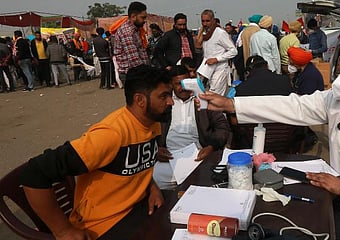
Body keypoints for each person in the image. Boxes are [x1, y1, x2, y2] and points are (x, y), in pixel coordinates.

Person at [199, 45, 340, 240]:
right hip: (336, 196)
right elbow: (294, 106)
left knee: (300, 232)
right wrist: (233, 105)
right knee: (278, 218)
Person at [20, 64, 173, 239]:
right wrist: (62, 231)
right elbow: (33, 173)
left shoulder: (153, 122)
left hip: (136, 209)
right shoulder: (110, 135)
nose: (171, 102)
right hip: (101, 225)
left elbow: (139, 163)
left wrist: (151, 188)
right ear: (140, 100)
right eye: (164, 96)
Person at [152, 65, 230, 189]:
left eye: (185, 83)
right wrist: (155, 150)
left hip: (198, 156)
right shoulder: (164, 102)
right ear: (171, 84)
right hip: (169, 158)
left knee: (206, 184)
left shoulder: (204, 98)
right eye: (178, 84)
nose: (183, 88)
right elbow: (147, 131)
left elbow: (223, 128)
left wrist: (211, 147)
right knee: (151, 181)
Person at [196, 9, 237, 95]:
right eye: (203, 21)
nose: (205, 23)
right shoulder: (205, 33)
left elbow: (233, 51)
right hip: (207, 69)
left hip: (220, 70)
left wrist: (217, 59)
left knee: (215, 96)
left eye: (207, 21)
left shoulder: (220, 33)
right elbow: (198, 46)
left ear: (213, 20)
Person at [114, 1, 150, 84]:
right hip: (132, 74)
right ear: (133, 16)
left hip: (138, 72)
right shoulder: (127, 32)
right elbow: (134, 60)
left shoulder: (136, 30)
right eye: (143, 17)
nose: (144, 21)